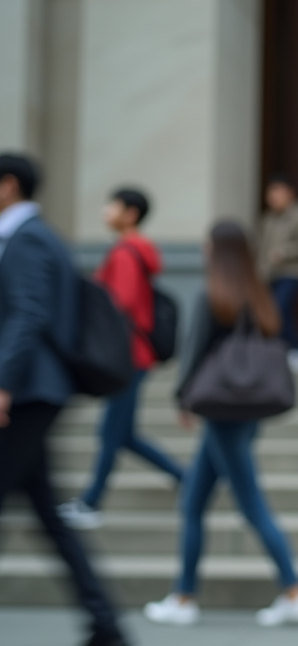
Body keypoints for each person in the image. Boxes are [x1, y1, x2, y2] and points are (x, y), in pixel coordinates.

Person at [143, 221, 298, 627]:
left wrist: (180, 397)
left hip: (219, 410)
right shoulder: (258, 295)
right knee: (193, 500)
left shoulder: (212, 295)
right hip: (246, 410)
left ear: (216, 250)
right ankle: (183, 596)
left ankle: (295, 590)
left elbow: (193, 352)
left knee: (251, 503)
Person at [0, 153, 131, 646]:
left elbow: (28, 313)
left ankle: (104, 622)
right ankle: (104, 622)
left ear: (9, 185)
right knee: (46, 511)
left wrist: (4, 382)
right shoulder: (39, 236)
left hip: (30, 390)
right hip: (37, 390)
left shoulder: (29, 239)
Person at [57, 187, 184, 530]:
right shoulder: (133, 249)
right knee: (123, 434)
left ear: (130, 214)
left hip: (128, 354)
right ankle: (187, 479)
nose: (105, 212)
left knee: (111, 433)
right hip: (135, 354)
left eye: (111, 206)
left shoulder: (126, 252)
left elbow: (121, 302)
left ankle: (91, 502)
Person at [257, 173, 298, 373]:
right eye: (271, 191)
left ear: (290, 193)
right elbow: (261, 249)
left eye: (278, 191)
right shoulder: (268, 218)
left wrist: (284, 252)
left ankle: (290, 349)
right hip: (269, 274)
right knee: (283, 312)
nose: (274, 196)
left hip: (293, 271)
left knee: (279, 307)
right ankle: (289, 349)